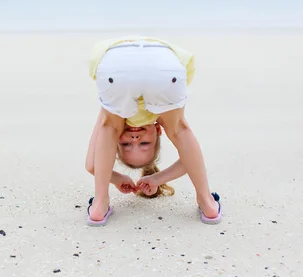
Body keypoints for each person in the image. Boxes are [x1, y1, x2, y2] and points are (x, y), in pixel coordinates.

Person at [84, 36, 222, 226]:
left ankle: (99, 204)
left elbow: (93, 165)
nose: (134, 138)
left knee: (113, 127)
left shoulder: (114, 123)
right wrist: (157, 179)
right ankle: (207, 202)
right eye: (143, 143)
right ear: (158, 131)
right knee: (178, 129)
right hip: (154, 65)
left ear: (114, 141)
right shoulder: (157, 118)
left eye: (126, 144)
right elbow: (191, 159)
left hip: (121, 66)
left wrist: (117, 178)